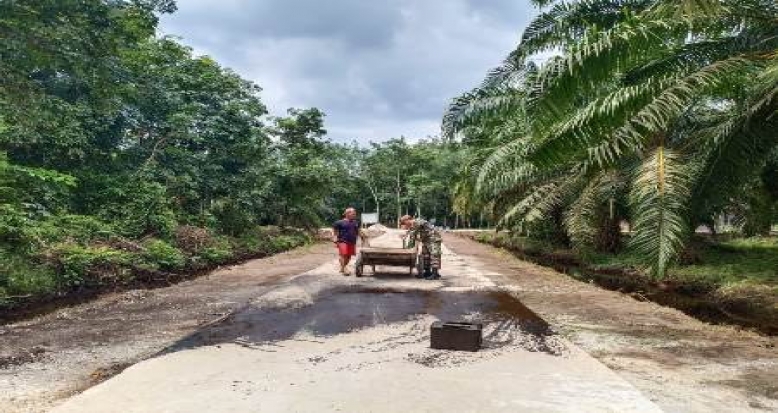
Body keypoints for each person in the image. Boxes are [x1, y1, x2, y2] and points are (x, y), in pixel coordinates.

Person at [399, 215, 442, 280]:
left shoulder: (417, 221)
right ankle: (427, 272)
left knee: (434, 255)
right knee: (425, 255)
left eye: (404, 223)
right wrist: (405, 235)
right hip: (426, 240)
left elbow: (413, 235)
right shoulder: (413, 225)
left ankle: (435, 274)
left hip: (433, 239)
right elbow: (411, 232)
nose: (404, 225)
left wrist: (409, 249)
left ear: (407, 220)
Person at [332, 207, 365, 276]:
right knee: (344, 254)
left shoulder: (355, 222)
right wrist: (335, 238)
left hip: (352, 242)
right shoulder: (339, 222)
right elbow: (335, 231)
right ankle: (345, 269)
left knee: (349, 256)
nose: (354, 215)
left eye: (355, 214)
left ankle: (342, 267)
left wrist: (362, 236)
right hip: (342, 241)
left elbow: (358, 231)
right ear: (347, 214)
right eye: (353, 214)